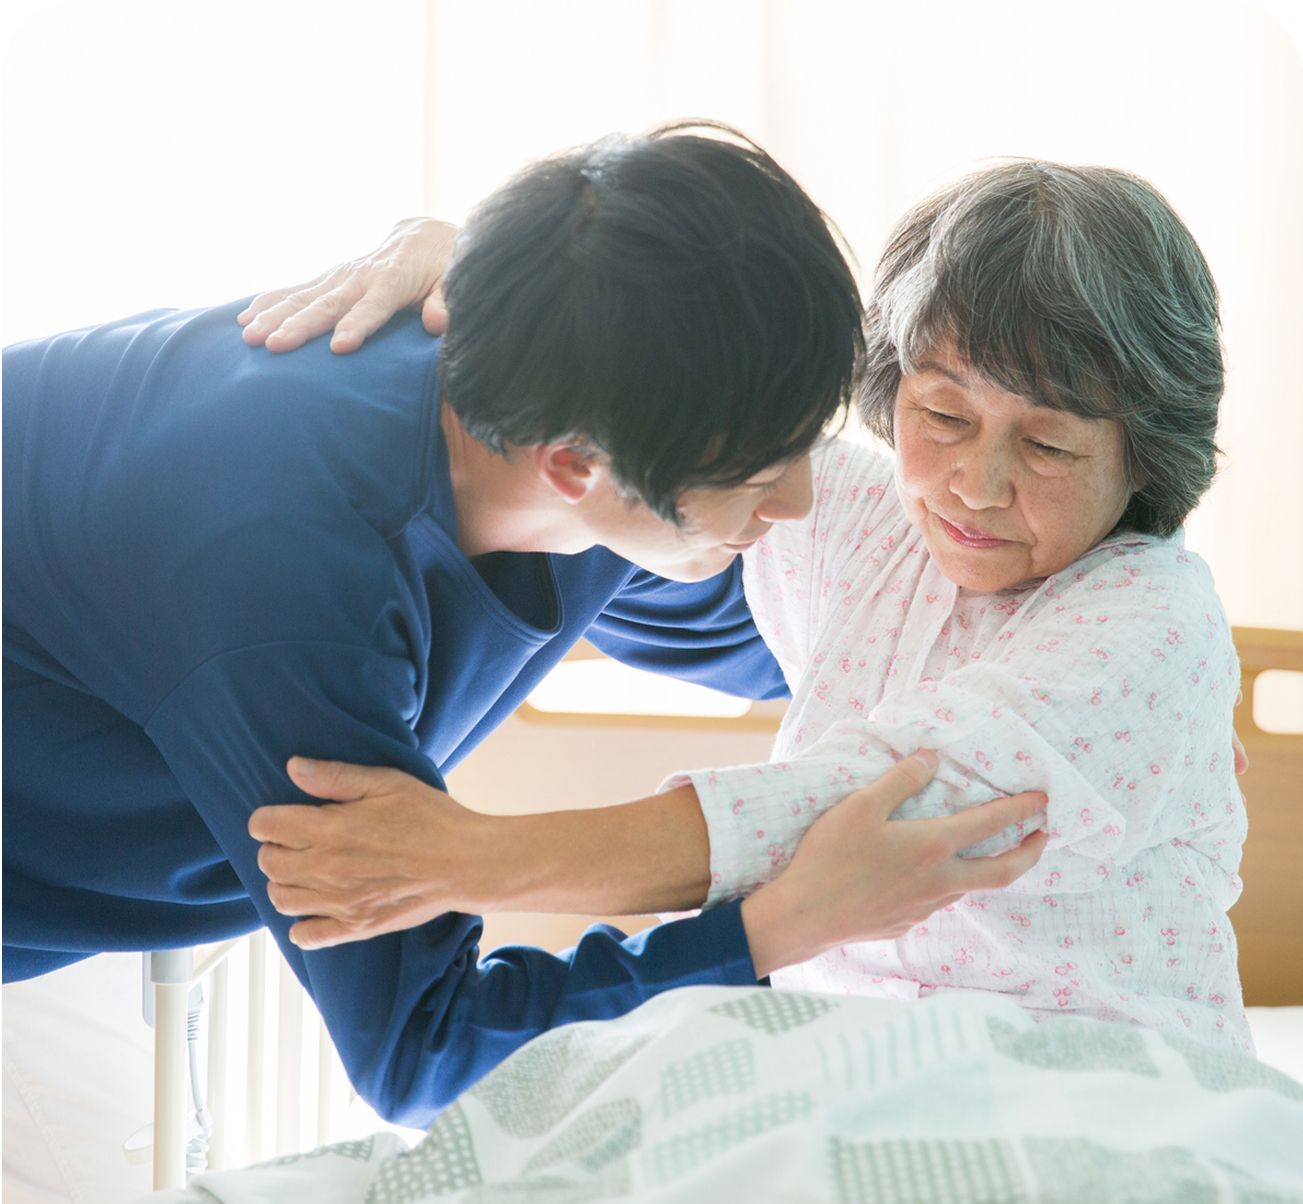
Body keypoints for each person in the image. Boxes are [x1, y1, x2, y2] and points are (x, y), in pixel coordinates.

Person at [2, 124, 1048, 1129]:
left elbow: (831, 645)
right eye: (756, 475)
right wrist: (788, 919)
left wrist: (1098, 687)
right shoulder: (289, 588)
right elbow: (429, 1051)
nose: (799, 506)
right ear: (576, 466)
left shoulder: (577, 407)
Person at [245, 160, 1250, 1050]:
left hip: (1099, 1081)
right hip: (841, 1075)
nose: (973, 485)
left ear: (1142, 452)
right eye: (941, 413)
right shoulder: (872, 519)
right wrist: (480, 265)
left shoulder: (1151, 624)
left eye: (1047, 446)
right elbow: (668, 373)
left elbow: (839, 807)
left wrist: (465, 858)